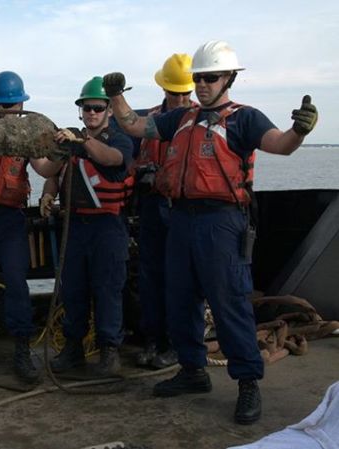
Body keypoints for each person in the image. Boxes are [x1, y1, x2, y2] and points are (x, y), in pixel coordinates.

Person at [103, 40, 318, 424]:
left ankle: (248, 382)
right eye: (197, 78)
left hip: (221, 222)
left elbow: (280, 146)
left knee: (229, 301)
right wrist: (116, 96)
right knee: (180, 299)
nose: (202, 85)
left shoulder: (245, 119)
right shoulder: (181, 119)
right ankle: (192, 371)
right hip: (180, 218)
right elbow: (135, 125)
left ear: (228, 78)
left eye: (210, 77)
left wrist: (299, 131)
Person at [0, 71, 63, 383]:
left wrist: (62, 154)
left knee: (18, 283)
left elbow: (45, 168)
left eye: (11, 105)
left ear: (21, 104)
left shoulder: (29, 136)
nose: (5, 111)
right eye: (0, 106)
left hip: (10, 221)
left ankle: (21, 347)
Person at [40, 76, 134, 377]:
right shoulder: (69, 141)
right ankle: (73, 350)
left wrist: (81, 143)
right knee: (74, 291)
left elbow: (113, 159)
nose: (92, 113)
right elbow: (49, 169)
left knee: (108, 290)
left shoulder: (118, 140)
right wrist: (47, 191)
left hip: (107, 227)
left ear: (108, 110)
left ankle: (109, 351)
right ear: (80, 110)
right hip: (74, 227)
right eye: (86, 108)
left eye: (97, 108)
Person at [133, 54, 196, 370]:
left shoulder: (202, 121)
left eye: (187, 93)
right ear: (164, 89)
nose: (182, 99)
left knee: (183, 279)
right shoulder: (147, 121)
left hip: (185, 211)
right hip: (152, 207)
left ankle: (177, 344)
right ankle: (152, 339)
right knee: (150, 276)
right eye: (176, 93)